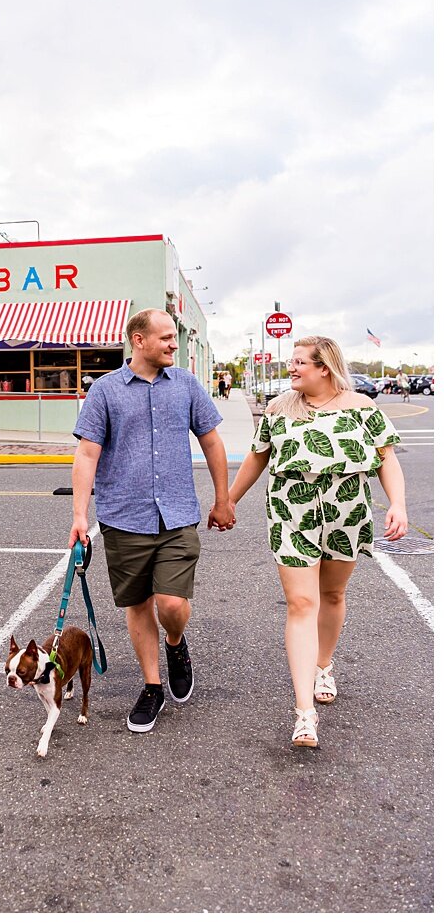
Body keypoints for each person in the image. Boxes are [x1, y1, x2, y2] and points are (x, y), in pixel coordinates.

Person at [225, 336, 406, 748]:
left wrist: (397, 504)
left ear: (324, 367)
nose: (291, 369)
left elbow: (386, 458)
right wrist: (228, 501)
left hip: (347, 511)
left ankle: (324, 664)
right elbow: (257, 458)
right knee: (301, 604)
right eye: (291, 362)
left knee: (334, 594)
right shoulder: (278, 409)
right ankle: (304, 712)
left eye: (299, 363)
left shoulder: (361, 407)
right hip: (292, 511)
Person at [68, 309, 232, 733]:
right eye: (165, 338)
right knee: (138, 604)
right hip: (123, 517)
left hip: (177, 513)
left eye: (174, 337)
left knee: (172, 604)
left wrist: (223, 499)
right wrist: (80, 516)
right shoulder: (105, 391)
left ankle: (176, 643)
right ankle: (152, 684)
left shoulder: (187, 386)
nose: (173, 345)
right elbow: (87, 454)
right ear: (138, 341)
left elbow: (212, 440)